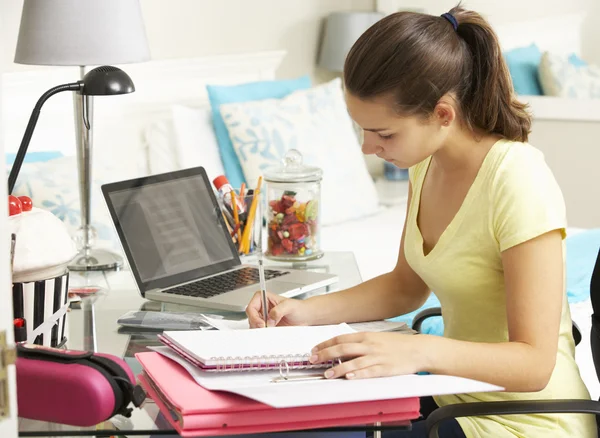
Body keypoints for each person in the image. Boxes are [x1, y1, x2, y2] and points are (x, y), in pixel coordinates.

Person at [246, 4, 596, 438]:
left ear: (443, 114)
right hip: (453, 397)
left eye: (384, 134)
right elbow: (405, 286)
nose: (367, 148)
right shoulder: (424, 165)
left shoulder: (517, 179)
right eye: (363, 130)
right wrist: (302, 312)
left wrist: (416, 352)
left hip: (527, 420)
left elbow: (535, 364)